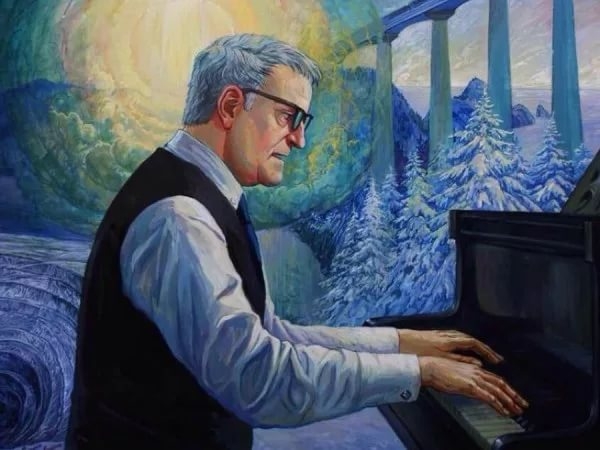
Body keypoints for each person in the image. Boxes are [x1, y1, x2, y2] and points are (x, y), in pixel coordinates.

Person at [65, 33, 527, 450]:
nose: (299, 139)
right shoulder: (179, 218)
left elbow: (271, 333)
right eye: (289, 116)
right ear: (230, 106)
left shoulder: (203, 194)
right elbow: (257, 378)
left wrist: (402, 343)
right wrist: (417, 372)